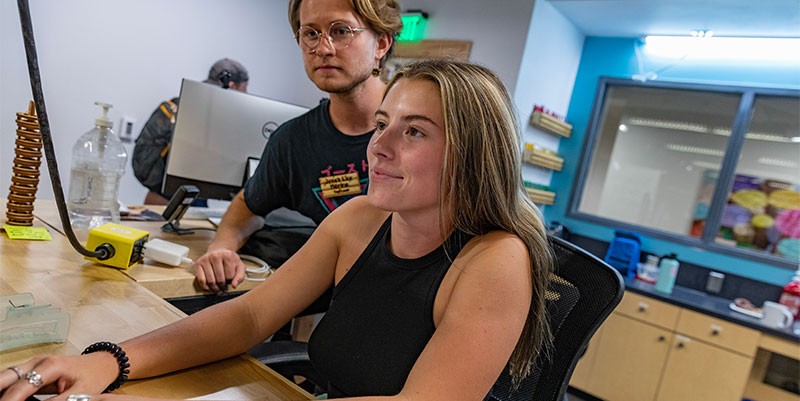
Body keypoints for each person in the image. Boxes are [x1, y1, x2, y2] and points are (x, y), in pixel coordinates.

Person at [0, 59, 554, 401]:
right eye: (382, 124)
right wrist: (106, 360)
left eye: (414, 132)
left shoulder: (497, 260)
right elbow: (251, 315)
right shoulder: (358, 220)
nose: (379, 147)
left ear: (472, 153)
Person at [194, 0, 402, 293]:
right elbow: (248, 205)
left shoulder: (421, 131)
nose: (323, 49)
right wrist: (221, 249)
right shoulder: (292, 141)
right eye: (311, 33)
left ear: (381, 43)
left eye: (341, 31)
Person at [132, 58, 250, 205]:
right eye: (244, 90)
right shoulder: (207, 117)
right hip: (172, 203)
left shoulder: (184, 105)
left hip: (159, 197)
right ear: (232, 86)